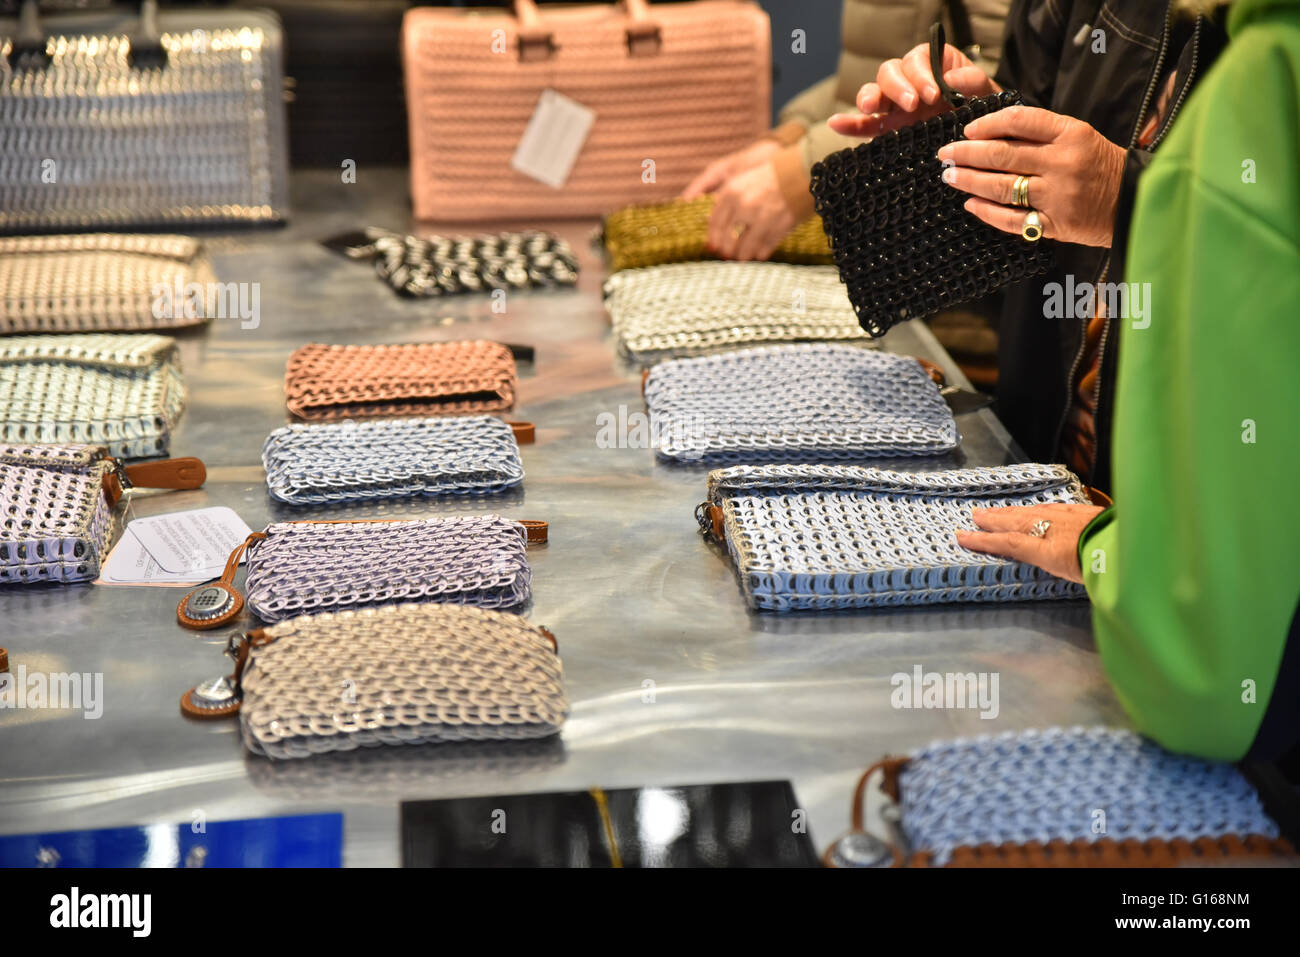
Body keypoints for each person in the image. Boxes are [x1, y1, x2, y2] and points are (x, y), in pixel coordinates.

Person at [955, 0, 1300, 763]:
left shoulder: (1269, 69)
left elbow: (1207, 680)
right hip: (1068, 474)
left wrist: (1136, 199)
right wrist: (959, 150)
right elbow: (1030, 154)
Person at [830, 0, 1228, 494]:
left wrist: (1128, 200)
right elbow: (1026, 224)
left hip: (1192, 508)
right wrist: (965, 141)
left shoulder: (1270, 39)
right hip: (1036, 456)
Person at [682, 0, 1010, 263]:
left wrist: (804, 171)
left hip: (950, 258)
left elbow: (1004, 78)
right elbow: (871, 76)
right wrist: (791, 138)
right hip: (882, 240)